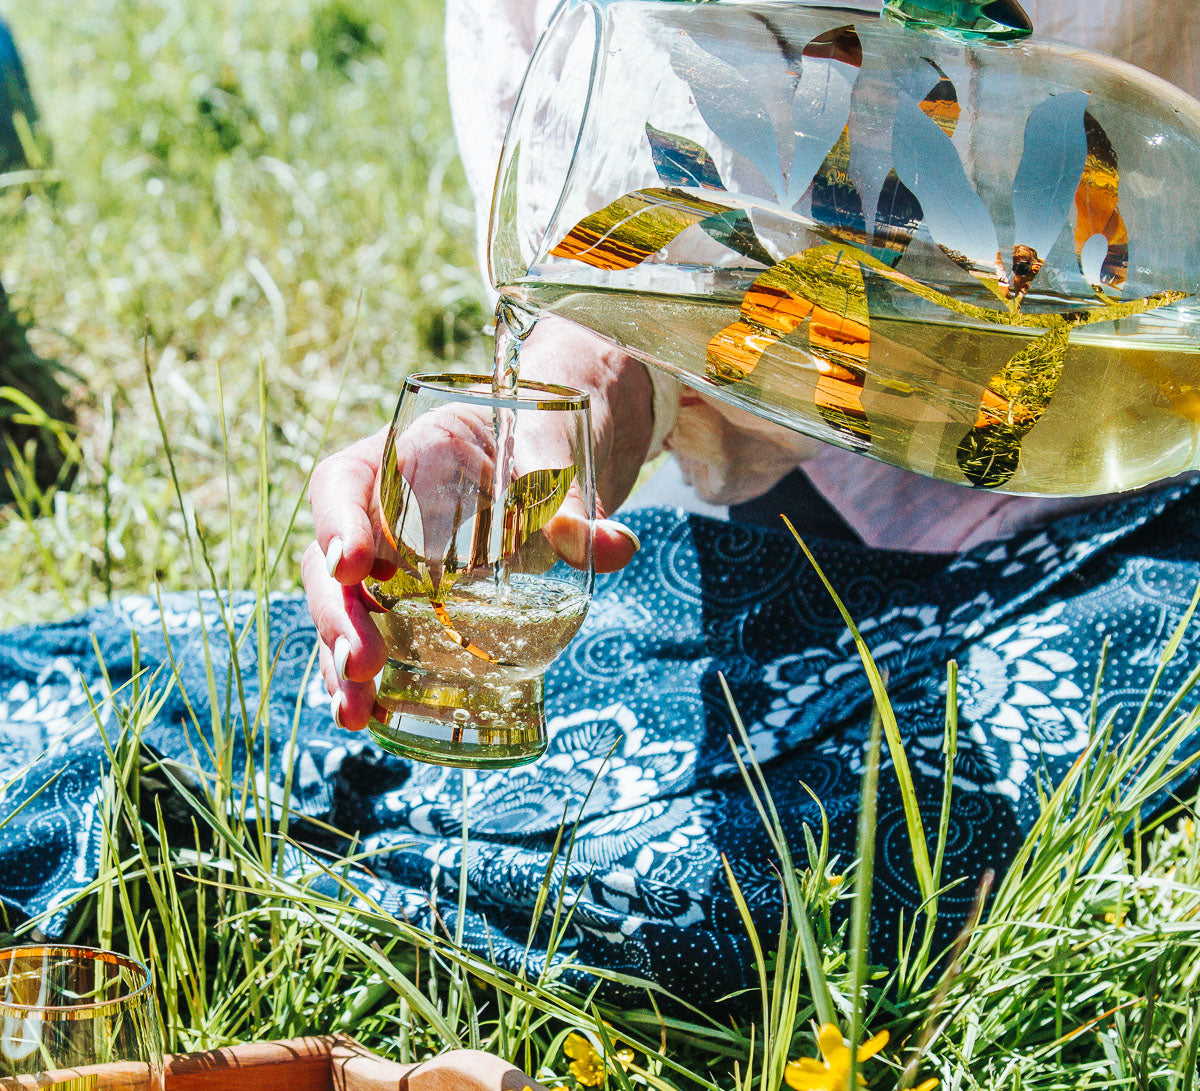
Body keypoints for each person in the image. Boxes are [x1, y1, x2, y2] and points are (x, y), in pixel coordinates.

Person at [298, 0, 1200, 1001]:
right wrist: (522, 443)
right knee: (740, 879)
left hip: (1167, 456)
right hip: (836, 496)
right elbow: (626, 311)